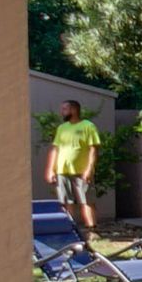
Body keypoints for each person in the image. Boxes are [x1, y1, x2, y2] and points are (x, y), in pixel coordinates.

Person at [47, 98, 105, 236]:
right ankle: (71, 230)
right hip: (62, 171)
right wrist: (50, 169)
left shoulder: (87, 126)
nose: (62, 112)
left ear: (74, 110)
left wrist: (89, 169)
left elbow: (93, 149)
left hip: (81, 171)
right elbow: (55, 149)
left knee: (87, 201)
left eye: (65, 109)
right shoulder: (62, 128)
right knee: (66, 201)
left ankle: (92, 231)